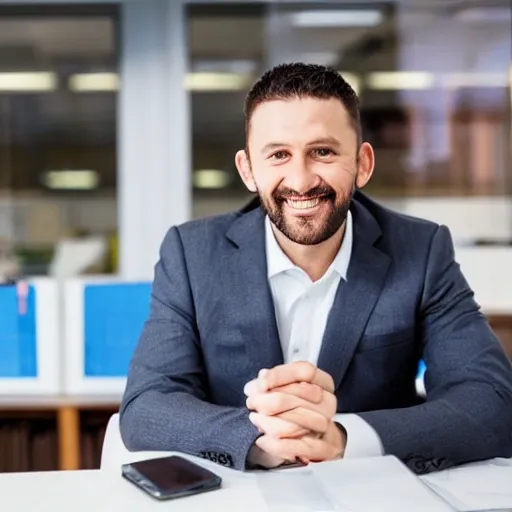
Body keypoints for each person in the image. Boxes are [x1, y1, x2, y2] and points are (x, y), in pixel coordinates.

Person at [119, 62, 512, 474]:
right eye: (279, 155)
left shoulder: (421, 251)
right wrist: (256, 439)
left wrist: (343, 439)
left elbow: (491, 401)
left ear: (362, 163)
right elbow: (148, 405)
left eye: (322, 152)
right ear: (248, 170)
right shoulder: (192, 254)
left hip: (369, 495)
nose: (301, 180)